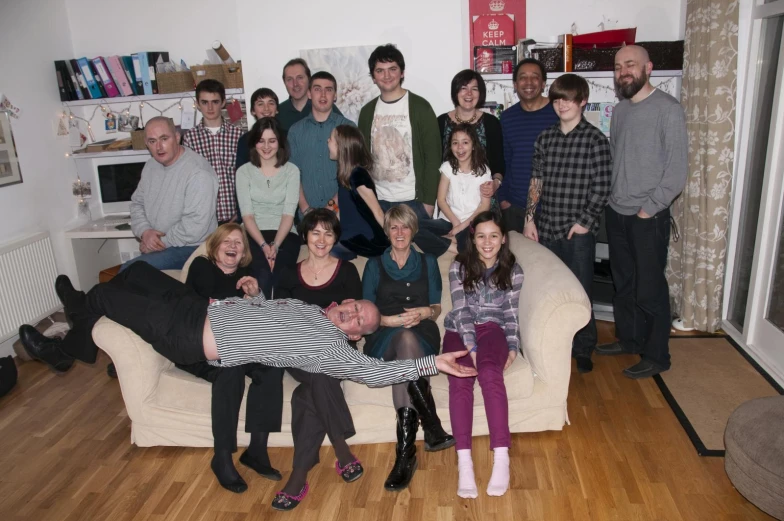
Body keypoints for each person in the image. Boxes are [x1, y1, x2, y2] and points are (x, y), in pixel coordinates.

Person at [18, 267, 476, 389]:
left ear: (355, 336)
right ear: (341, 303)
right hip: (201, 306)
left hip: (190, 335)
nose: (356, 318)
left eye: (361, 324)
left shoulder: (330, 349)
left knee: (103, 296)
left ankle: (72, 336)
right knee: (136, 271)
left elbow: (375, 373)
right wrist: (248, 295)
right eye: (357, 308)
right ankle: (77, 330)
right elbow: (262, 315)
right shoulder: (303, 307)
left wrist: (432, 362)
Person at [595, 45, 687, 379]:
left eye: (630, 65)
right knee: (624, 284)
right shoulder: (619, 111)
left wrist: (648, 210)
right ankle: (629, 340)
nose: (623, 72)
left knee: (650, 288)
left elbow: (676, 173)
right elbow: (619, 160)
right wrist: (610, 200)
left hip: (648, 216)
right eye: (618, 67)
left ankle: (657, 354)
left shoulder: (668, 110)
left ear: (648, 68)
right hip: (616, 211)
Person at [170, 224, 284, 494]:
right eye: (227, 241)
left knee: (271, 366)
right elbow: (209, 300)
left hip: (235, 346)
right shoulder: (201, 266)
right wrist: (240, 298)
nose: (233, 246)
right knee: (230, 369)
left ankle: (256, 451)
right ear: (215, 245)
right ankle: (221, 456)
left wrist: (256, 295)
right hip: (198, 347)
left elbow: (262, 319)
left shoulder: (248, 274)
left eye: (239, 243)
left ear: (244, 251)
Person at [273, 209, 363, 511]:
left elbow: (353, 321)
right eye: (315, 232)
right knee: (316, 376)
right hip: (296, 350)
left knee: (306, 393)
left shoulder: (348, 271)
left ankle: (298, 476)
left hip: (334, 349)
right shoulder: (286, 274)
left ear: (335, 237)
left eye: (328, 233)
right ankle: (342, 450)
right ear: (305, 236)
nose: (321, 239)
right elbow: (280, 322)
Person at [523, 74, 612, 374]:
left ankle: (584, 348)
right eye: (557, 98)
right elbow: (536, 180)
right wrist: (529, 219)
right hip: (545, 227)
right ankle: (549, 345)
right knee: (546, 290)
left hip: (578, 232)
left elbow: (602, 187)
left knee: (580, 291)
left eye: (568, 99)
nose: (562, 104)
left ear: (582, 101)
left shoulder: (596, 140)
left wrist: (585, 223)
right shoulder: (545, 137)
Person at [361, 204, 454, 492]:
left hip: (422, 332)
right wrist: (390, 319)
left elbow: (437, 306)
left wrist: (424, 313)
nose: (399, 232)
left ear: (413, 230)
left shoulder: (428, 263)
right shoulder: (374, 265)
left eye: (404, 227)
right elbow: (366, 314)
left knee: (409, 342)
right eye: (393, 227)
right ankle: (431, 423)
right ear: (387, 231)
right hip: (383, 335)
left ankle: (405, 456)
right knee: (403, 338)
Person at [443, 211, 523, 498]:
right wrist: (470, 348)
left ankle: (502, 458)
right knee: (460, 381)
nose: (487, 242)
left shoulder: (514, 270)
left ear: (503, 239)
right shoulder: (459, 266)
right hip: (458, 330)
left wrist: (512, 347)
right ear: (473, 239)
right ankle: (464, 461)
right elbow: (460, 310)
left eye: (493, 235)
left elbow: (511, 315)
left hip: (493, 330)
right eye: (480, 236)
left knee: (490, 374)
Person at [358, 44, 441, 221]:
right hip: (378, 202)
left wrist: (428, 203)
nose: (386, 75)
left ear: (401, 72)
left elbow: (433, 158)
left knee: (417, 249)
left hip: (413, 202)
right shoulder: (366, 112)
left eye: (392, 69)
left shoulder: (420, 107)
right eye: (380, 70)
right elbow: (362, 159)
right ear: (373, 77)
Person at [126, 116, 218, 271]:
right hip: (164, 244)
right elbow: (137, 203)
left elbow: (195, 226)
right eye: (152, 141)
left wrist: (158, 243)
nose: (159, 147)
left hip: (193, 248)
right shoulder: (150, 166)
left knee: (132, 271)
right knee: (130, 274)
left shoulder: (198, 171)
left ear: (177, 137)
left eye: (164, 138)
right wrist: (145, 232)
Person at [235, 117, 301, 297]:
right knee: (262, 275)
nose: (266, 146)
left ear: (280, 142)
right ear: (254, 142)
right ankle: (259, 321)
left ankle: (281, 323)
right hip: (253, 234)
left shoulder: (292, 171)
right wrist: (265, 246)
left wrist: (276, 246)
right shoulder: (243, 172)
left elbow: (288, 214)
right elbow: (247, 216)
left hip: (285, 234)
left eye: (272, 141)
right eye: (261, 140)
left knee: (281, 277)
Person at [498, 59, 559, 232]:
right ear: (515, 85)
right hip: (516, 207)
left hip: (554, 210)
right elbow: (504, 160)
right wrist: (503, 200)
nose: (529, 82)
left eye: (535, 77)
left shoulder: (559, 112)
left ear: (543, 83)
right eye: (523, 77)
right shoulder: (508, 118)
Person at [289, 71, 356, 216]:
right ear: (309, 93)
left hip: (342, 213)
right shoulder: (295, 131)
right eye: (317, 89)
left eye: (329, 89)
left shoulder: (348, 128)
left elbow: (352, 174)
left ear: (335, 95)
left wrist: (331, 207)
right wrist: (305, 209)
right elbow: (293, 174)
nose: (323, 95)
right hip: (307, 215)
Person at [182, 79, 244, 225]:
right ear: (197, 104)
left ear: (223, 103)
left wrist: (241, 212)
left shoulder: (238, 135)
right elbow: (188, 179)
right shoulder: (190, 138)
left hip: (236, 213)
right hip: (205, 216)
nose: (210, 107)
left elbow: (246, 176)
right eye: (204, 102)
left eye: (215, 102)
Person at [428, 123, 493, 255]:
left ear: (473, 145)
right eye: (455, 143)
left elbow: (485, 206)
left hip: (471, 222)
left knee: (469, 243)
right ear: (451, 146)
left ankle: (452, 242)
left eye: (465, 142)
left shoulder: (483, 170)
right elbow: (441, 200)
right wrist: (455, 223)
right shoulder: (447, 167)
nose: (460, 148)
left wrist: (462, 227)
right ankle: (451, 246)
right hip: (448, 220)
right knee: (415, 228)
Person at [328, 124, 389, 260]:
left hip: (364, 239)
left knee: (327, 251)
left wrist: (393, 238)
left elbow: (377, 211)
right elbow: (344, 207)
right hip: (348, 235)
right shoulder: (344, 174)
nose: (328, 141)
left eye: (330, 139)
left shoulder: (358, 175)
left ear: (341, 147)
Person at [437, 69, 504, 191]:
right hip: (450, 197)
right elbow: (434, 163)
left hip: (483, 195)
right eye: (463, 88)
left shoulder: (491, 123)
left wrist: (496, 183)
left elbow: (498, 163)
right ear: (455, 92)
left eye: (474, 89)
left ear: (480, 93)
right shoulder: (440, 123)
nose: (469, 94)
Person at [236, 87, 280, 169]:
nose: (266, 108)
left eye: (271, 103)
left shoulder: (287, 136)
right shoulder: (245, 140)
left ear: (277, 109)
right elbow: (241, 172)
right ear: (253, 111)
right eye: (260, 104)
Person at [277, 58, 312, 132]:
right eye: (289, 79)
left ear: (309, 79)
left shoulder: (323, 108)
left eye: (300, 78)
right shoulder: (278, 113)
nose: (295, 84)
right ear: (284, 82)